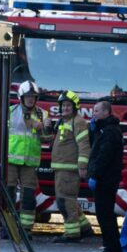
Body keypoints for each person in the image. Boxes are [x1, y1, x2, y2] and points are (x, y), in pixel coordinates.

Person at [7, 81, 51, 233]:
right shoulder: (11, 112)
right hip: (11, 161)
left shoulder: (42, 114)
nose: (30, 99)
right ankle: (8, 227)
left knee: (28, 196)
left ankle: (26, 229)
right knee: (9, 193)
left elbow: (47, 138)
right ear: (21, 97)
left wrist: (44, 127)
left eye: (33, 96)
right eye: (28, 96)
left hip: (29, 163)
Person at [51, 90, 93, 243]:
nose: (65, 108)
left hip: (68, 169)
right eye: (63, 105)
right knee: (69, 200)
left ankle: (72, 234)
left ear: (75, 107)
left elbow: (84, 145)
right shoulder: (64, 121)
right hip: (62, 168)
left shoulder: (78, 121)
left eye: (68, 105)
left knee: (65, 200)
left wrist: (82, 166)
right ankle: (85, 228)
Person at [87, 99, 124, 252]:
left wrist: (95, 175)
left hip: (105, 179)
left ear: (106, 112)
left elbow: (103, 156)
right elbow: (93, 147)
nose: (93, 114)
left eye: (96, 111)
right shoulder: (103, 130)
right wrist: (92, 130)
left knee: (105, 214)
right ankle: (111, 246)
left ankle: (112, 248)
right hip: (105, 178)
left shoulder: (109, 131)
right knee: (104, 214)